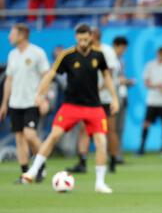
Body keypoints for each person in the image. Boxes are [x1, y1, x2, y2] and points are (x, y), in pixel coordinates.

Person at [21, 24, 119, 194]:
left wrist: (114, 98)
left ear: (91, 37)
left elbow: (107, 77)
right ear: (76, 38)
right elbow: (50, 74)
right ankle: (33, 170)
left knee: (101, 142)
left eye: (86, 38)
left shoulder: (98, 55)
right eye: (80, 39)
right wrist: (40, 94)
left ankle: (100, 183)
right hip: (71, 105)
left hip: (94, 106)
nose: (83, 41)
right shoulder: (66, 55)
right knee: (54, 135)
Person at [0, 24, 50, 183]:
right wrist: (4, 103)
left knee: (30, 134)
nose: (9, 37)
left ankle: (40, 164)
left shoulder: (37, 53)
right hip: (15, 102)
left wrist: (43, 97)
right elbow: (9, 79)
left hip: (32, 101)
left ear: (22, 35)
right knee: (19, 137)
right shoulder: (12, 54)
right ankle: (25, 173)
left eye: (12, 33)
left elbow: (46, 76)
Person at [67, 28, 121, 174]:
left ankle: (113, 160)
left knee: (109, 130)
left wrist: (97, 89)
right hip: (89, 99)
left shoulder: (106, 51)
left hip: (105, 99)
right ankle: (82, 161)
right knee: (84, 129)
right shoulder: (84, 52)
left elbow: (108, 74)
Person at [113, 36, 134, 164]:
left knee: (120, 128)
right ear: (116, 46)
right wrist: (121, 81)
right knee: (112, 128)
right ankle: (112, 155)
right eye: (122, 48)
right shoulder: (109, 59)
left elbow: (121, 77)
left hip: (123, 95)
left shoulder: (121, 61)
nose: (123, 51)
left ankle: (117, 154)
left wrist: (126, 82)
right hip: (114, 97)